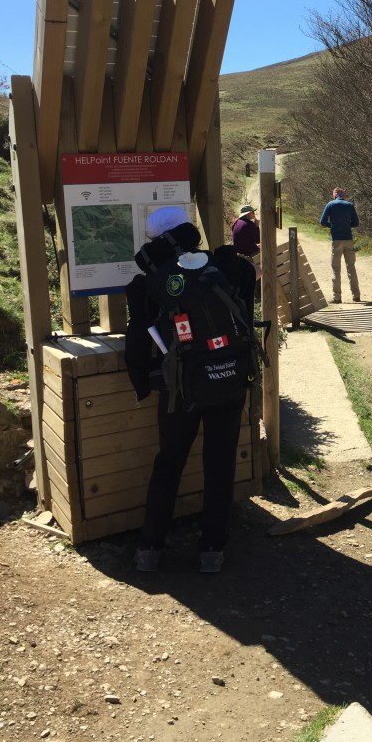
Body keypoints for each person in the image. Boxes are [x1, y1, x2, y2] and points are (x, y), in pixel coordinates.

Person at [124, 205, 257, 573]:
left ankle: (150, 549)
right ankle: (212, 550)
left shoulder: (150, 282)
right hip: (230, 379)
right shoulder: (224, 267)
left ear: (157, 241)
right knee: (220, 462)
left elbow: (138, 343)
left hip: (181, 389)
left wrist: (141, 383)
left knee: (169, 462)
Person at [320, 186, 361, 303]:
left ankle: (337, 297)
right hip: (348, 239)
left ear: (334, 196)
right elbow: (356, 223)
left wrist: (333, 226)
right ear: (343, 196)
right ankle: (356, 296)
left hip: (336, 240)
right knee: (351, 267)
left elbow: (322, 222)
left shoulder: (330, 205)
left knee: (336, 269)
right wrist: (346, 225)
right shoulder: (349, 205)